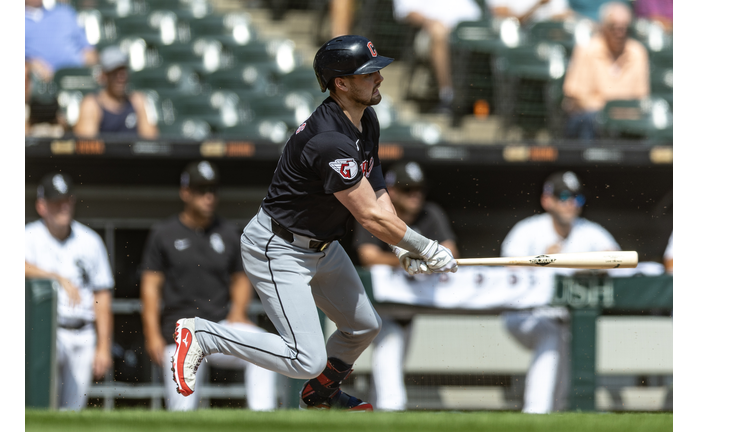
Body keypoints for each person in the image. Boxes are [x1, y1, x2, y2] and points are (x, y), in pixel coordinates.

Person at [169, 35, 458, 412]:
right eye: (368, 73)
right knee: (305, 357)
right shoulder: (328, 140)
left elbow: (376, 189)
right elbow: (368, 215)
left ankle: (321, 393)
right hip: (279, 247)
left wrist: (400, 245)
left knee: (364, 327)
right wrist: (425, 246)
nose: (379, 78)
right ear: (341, 83)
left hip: (323, 247)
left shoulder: (365, 119)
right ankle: (204, 334)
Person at [140, 160, 278, 411]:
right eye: (201, 190)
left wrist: (238, 312)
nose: (208, 196)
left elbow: (240, 277)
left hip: (218, 326)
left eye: (213, 190)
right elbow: (150, 286)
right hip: (180, 331)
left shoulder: (227, 232)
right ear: (186, 192)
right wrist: (151, 334)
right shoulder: (164, 233)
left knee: (264, 347)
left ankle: (262, 420)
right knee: (182, 411)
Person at [500, 170, 620, 413]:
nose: (571, 203)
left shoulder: (589, 230)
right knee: (552, 335)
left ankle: (555, 415)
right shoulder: (529, 230)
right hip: (523, 314)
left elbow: (616, 259)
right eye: (563, 196)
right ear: (547, 200)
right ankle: (536, 413)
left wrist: (572, 261)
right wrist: (541, 259)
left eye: (576, 197)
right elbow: (506, 270)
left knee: (561, 342)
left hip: (566, 318)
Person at [353, 161, 458, 411]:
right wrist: (406, 259)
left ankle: (380, 412)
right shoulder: (377, 213)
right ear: (391, 190)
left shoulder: (430, 214)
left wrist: (426, 259)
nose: (416, 195)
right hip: (375, 308)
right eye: (408, 189)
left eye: (419, 189)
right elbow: (368, 256)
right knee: (390, 345)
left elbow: (450, 252)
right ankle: (392, 410)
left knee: (392, 361)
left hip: (409, 307)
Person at [24, 172, 114, 410]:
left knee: (73, 411)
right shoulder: (28, 235)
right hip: (47, 331)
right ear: (42, 206)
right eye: (56, 202)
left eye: (67, 200)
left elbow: (102, 296)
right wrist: (55, 277)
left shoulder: (90, 240)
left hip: (84, 331)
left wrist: (103, 346)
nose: (63, 207)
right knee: (43, 405)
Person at [562, 1, 650, 140]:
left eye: (624, 28)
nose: (619, 33)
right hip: (593, 119)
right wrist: (609, 111)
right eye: (614, 27)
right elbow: (577, 97)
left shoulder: (638, 52)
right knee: (589, 120)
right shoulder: (586, 50)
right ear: (603, 27)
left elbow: (640, 98)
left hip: (627, 121)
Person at [392, 0, 482, 114]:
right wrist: (431, 22)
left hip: (464, 32)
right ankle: (447, 96)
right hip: (428, 32)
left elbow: (474, 13)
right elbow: (406, 12)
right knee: (438, 33)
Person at [74, 46, 159, 139]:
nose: (120, 77)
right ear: (104, 75)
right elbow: (86, 147)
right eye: (114, 72)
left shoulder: (138, 101)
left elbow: (151, 142)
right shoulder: (92, 104)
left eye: (123, 72)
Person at [25, 0, 98, 82]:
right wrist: (30, 64)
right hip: (43, 83)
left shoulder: (65, 12)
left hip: (77, 78)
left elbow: (89, 51)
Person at [486, 0, 573, 26]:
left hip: (550, 39)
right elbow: (509, 22)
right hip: (517, 47)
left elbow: (563, 15)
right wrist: (537, 5)